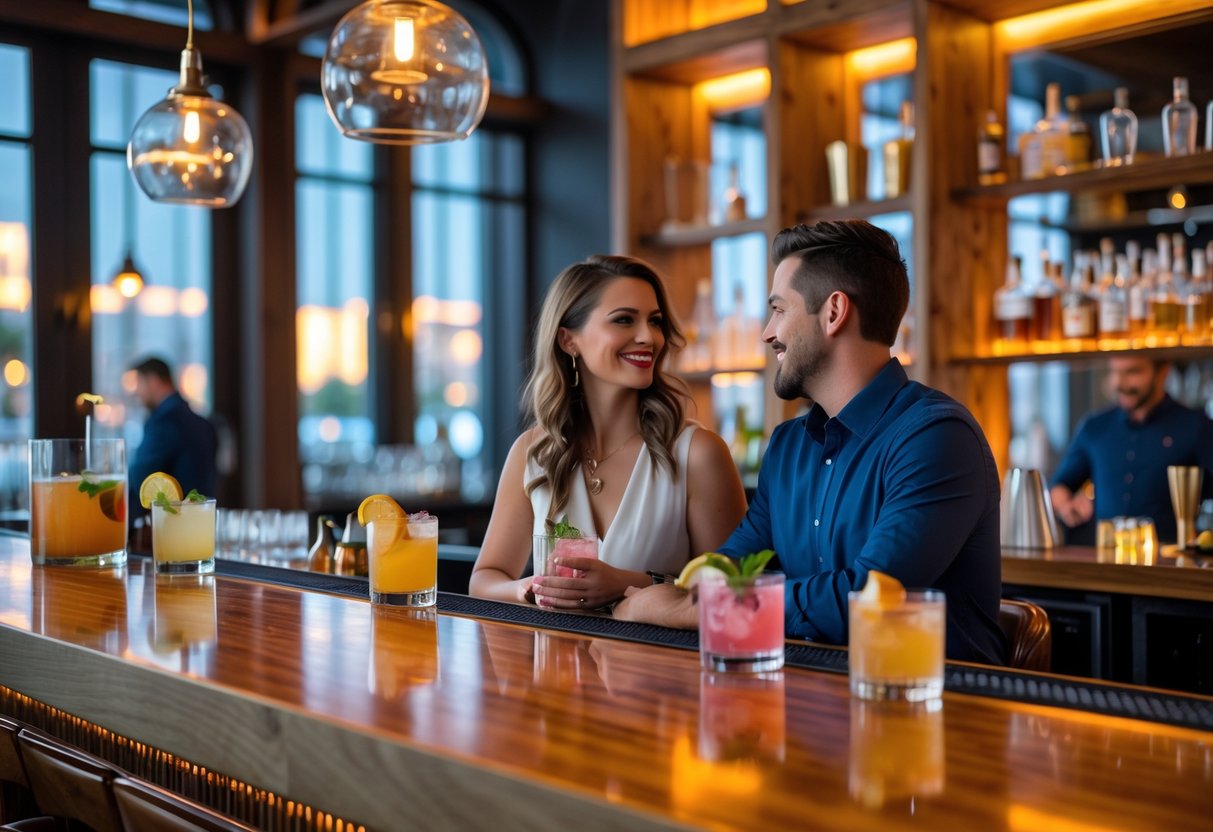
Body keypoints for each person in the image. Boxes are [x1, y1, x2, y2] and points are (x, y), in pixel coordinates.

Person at [616, 220, 1007, 665]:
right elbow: (726, 574)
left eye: (779, 310)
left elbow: (865, 600)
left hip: (936, 698)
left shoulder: (936, 437)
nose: (767, 332)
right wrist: (653, 589)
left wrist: (686, 609)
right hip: (809, 693)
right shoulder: (788, 447)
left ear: (834, 312)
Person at [469, 255, 747, 609]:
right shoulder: (534, 453)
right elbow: (485, 579)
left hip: (654, 649)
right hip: (552, 647)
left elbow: (737, 590)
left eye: (655, 321)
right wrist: (530, 589)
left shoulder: (698, 454)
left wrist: (628, 584)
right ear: (569, 340)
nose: (649, 337)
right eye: (624, 320)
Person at [1050, 356, 1213, 544]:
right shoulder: (1094, 427)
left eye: (1133, 372)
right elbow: (1059, 487)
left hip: (1170, 558)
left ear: (1162, 372)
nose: (1120, 383)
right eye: (1115, 372)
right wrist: (1067, 506)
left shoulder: (1195, 426)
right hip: (1105, 555)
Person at [128, 357, 219, 514]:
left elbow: (140, 478)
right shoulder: (203, 423)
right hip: (201, 518)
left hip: (172, 520)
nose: (136, 392)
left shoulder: (164, 421)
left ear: (153, 381)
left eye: (139, 384)